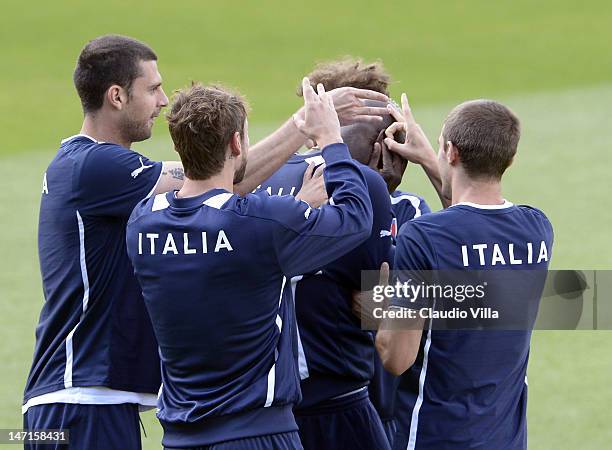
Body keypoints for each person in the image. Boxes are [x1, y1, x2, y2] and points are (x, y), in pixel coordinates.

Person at [23, 34, 389, 450]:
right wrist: (318, 131)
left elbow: (211, 183)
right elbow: (395, 344)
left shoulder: (134, 205)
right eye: (154, 88)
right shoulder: (97, 166)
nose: (162, 101)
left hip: (78, 403)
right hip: (85, 397)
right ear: (116, 96)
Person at [126, 78, 376, 449]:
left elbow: (211, 222)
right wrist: (331, 140)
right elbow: (356, 217)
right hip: (257, 434)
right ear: (237, 143)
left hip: (181, 437)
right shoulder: (264, 223)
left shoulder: (142, 223)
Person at [376, 95, 554, 450]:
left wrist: (380, 304)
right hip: (505, 440)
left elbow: (397, 358)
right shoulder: (537, 229)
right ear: (510, 159)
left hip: (433, 436)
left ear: (452, 152)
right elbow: (472, 231)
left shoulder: (422, 235)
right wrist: (432, 156)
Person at [260, 109, 400, 450]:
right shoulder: (401, 204)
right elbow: (384, 322)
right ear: (383, 149)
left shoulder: (263, 180)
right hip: (346, 403)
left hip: (266, 406)